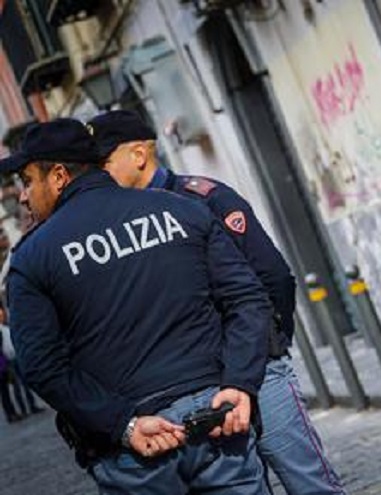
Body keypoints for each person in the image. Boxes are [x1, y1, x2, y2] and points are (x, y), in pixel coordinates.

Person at [2, 118, 274, 494]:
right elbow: (247, 298)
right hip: (215, 417)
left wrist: (122, 425)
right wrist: (239, 383)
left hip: (136, 452)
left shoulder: (32, 258)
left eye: (28, 181)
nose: (24, 196)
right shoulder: (182, 211)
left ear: (60, 175)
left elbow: (42, 365)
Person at [87, 110, 345, 494]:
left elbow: (274, 276)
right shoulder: (120, 226)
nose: (99, 175)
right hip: (201, 384)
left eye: (104, 163)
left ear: (139, 155)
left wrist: (270, 346)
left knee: (308, 482)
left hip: (257, 368)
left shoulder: (205, 198)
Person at [0, 305, 45, 417]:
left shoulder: (6, 326)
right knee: (16, 387)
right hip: (9, 361)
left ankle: (31, 406)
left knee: (26, 384)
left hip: (17, 357)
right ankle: (23, 409)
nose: (2, 315)